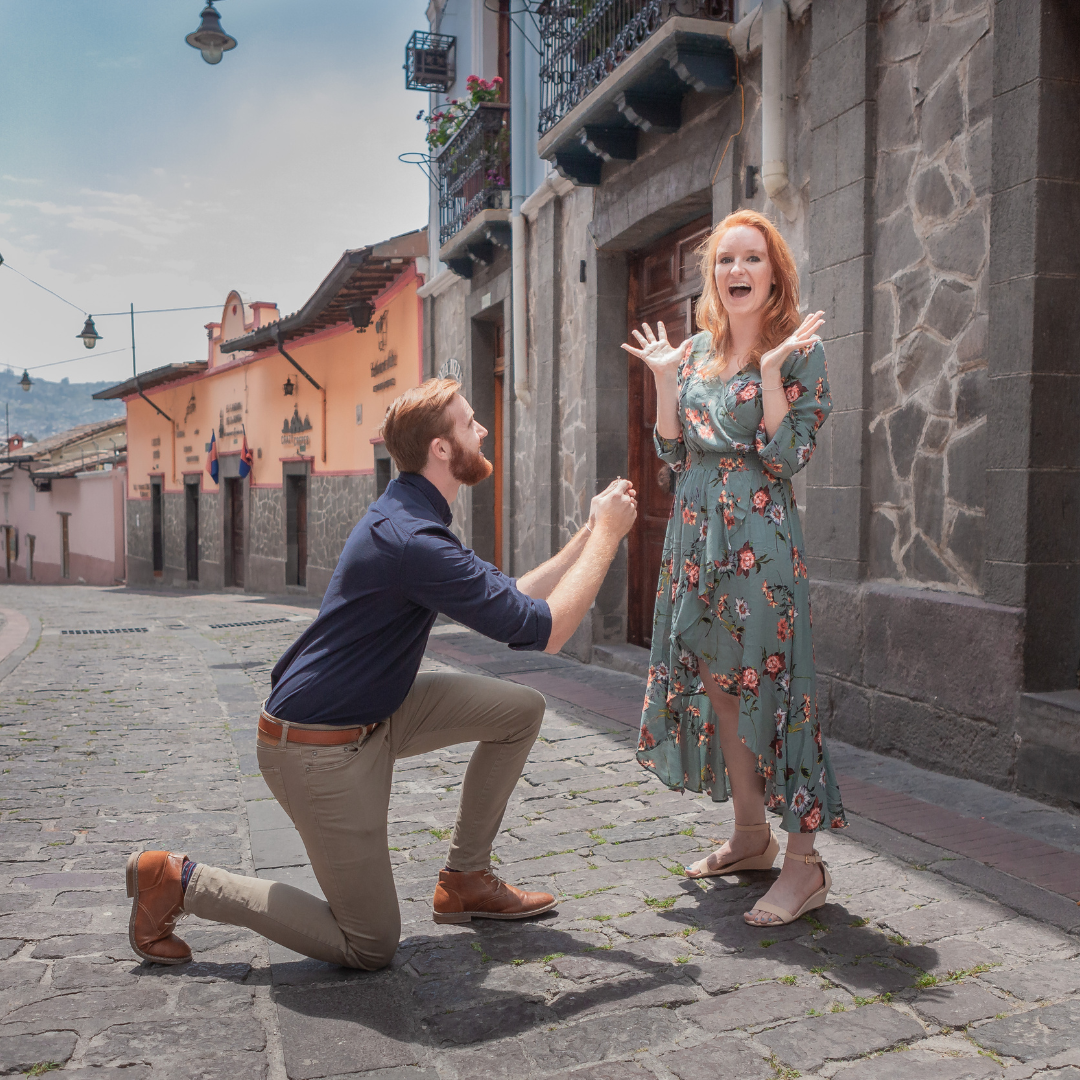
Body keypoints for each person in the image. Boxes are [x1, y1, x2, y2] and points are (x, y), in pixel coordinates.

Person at [125, 378, 637, 969]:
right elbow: (544, 631)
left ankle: (466, 878)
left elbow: (516, 599)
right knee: (369, 945)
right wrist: (606, 536)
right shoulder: (412, 538)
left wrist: (586, 532)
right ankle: (176, 880)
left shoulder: (414, 514)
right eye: (471, 423)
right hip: (317, 750)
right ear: (442, 450)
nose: (483, 430)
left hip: (376, 711)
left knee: (518, 710)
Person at [624, 209, 847, 927]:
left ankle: (803, 862)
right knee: (719, 682)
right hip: (694, 535)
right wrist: (663, 381)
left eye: (752, 259)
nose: (737, 271)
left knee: (778, 688)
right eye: (725, 260)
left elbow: (787, 459)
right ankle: (749, 837)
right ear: (712, 274)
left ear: (774, 271)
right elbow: (674, 456)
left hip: (760, 538)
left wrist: (774, 376)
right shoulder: (692, 351)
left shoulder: (798, 349)